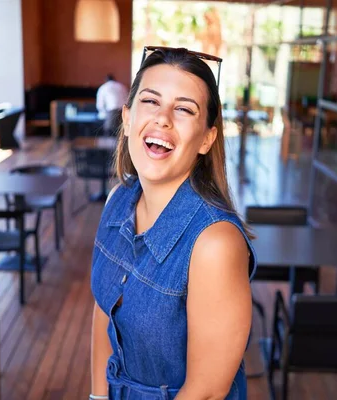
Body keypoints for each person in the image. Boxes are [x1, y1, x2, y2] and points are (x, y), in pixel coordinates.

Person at [90, 47, 257, 400]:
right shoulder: (117, 201)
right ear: (128, 117)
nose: (163, 118)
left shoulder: (215, 243)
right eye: (151, 102)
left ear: (207, 138)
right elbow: (104, 310)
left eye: (183, 109)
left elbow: (207, 391)